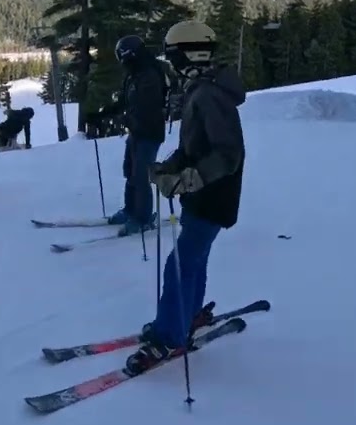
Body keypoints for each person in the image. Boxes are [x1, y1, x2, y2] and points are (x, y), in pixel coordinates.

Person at [125, 19, 246, 375]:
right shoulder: (201, 88)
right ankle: (186, 315)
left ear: (192, 53)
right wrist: (168, 167)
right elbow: (193, 147)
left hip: (213, 194)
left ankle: (169, 335)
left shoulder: (209, 95)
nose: (172, 63)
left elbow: (228, 153)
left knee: (179, 263)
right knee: (192, 259)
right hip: (205, 194)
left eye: (174, 56)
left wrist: (191, 178)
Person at [85, 35, 170, 237]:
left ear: (129, 55)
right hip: (136, 131)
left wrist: (127, 121)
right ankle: (130, 210)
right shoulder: (134, 74)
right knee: (130, 171)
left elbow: (146, 108)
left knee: (141, 175)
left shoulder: (149, 75)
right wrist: (101, 115)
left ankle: (142, 218)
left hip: (149, 132)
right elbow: (124, 102)